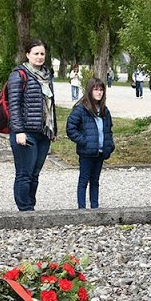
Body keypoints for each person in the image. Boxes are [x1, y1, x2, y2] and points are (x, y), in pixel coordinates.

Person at [8, 39, 57, 211]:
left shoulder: (47, 75)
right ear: (28, 54)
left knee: (35, 174)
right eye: (36, 53)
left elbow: (49, 105)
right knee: (25, 173)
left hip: (43, 133)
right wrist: (19, 131)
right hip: (25, 132)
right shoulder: (18, 75)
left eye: (42, 53)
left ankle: (31, 207)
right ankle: (25, 210)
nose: (39, 57)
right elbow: (14, 106)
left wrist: (53, 128)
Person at [66, 78, 114, 209]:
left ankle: (95, 207)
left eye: (101, 90)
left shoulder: (104, 110)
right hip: (87, 152)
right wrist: (84, 142)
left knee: (95, 181)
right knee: (83, 180)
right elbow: (71, 128)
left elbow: (108, 129)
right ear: (90, 91)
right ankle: (82, 208)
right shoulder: (81, 109)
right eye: (96, 89)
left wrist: (109, 146)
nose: (99, 93)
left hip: (100, 151)